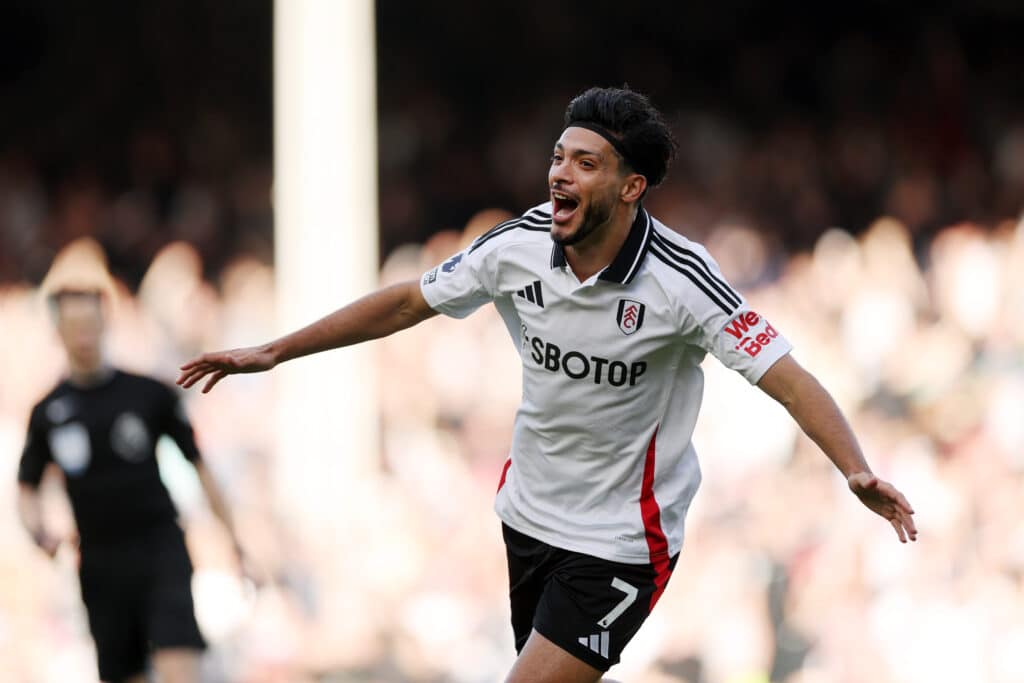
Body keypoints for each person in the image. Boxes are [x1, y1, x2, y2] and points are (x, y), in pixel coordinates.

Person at [177, 86, 917, 683]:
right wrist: (275, 350)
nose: (560, 173)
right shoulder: (519, 245)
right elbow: (408, 300)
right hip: (528, 518)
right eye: (559, 156)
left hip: (623, 542)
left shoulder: (683, 280)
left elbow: (787, 378)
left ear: (631, 187)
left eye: (586, 163)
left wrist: (853, 467)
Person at [18, 287, 245, 683]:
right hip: (100, 562)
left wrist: (232, 539)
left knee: (179, 663)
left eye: (90, 324)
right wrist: (40, 532)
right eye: (74, 326)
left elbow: (199, 466)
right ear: (59, 332)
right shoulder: (48, 413)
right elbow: (27, 487)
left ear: (106, 324)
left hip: (160, 549)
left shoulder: (149, 395)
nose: (84, 336)